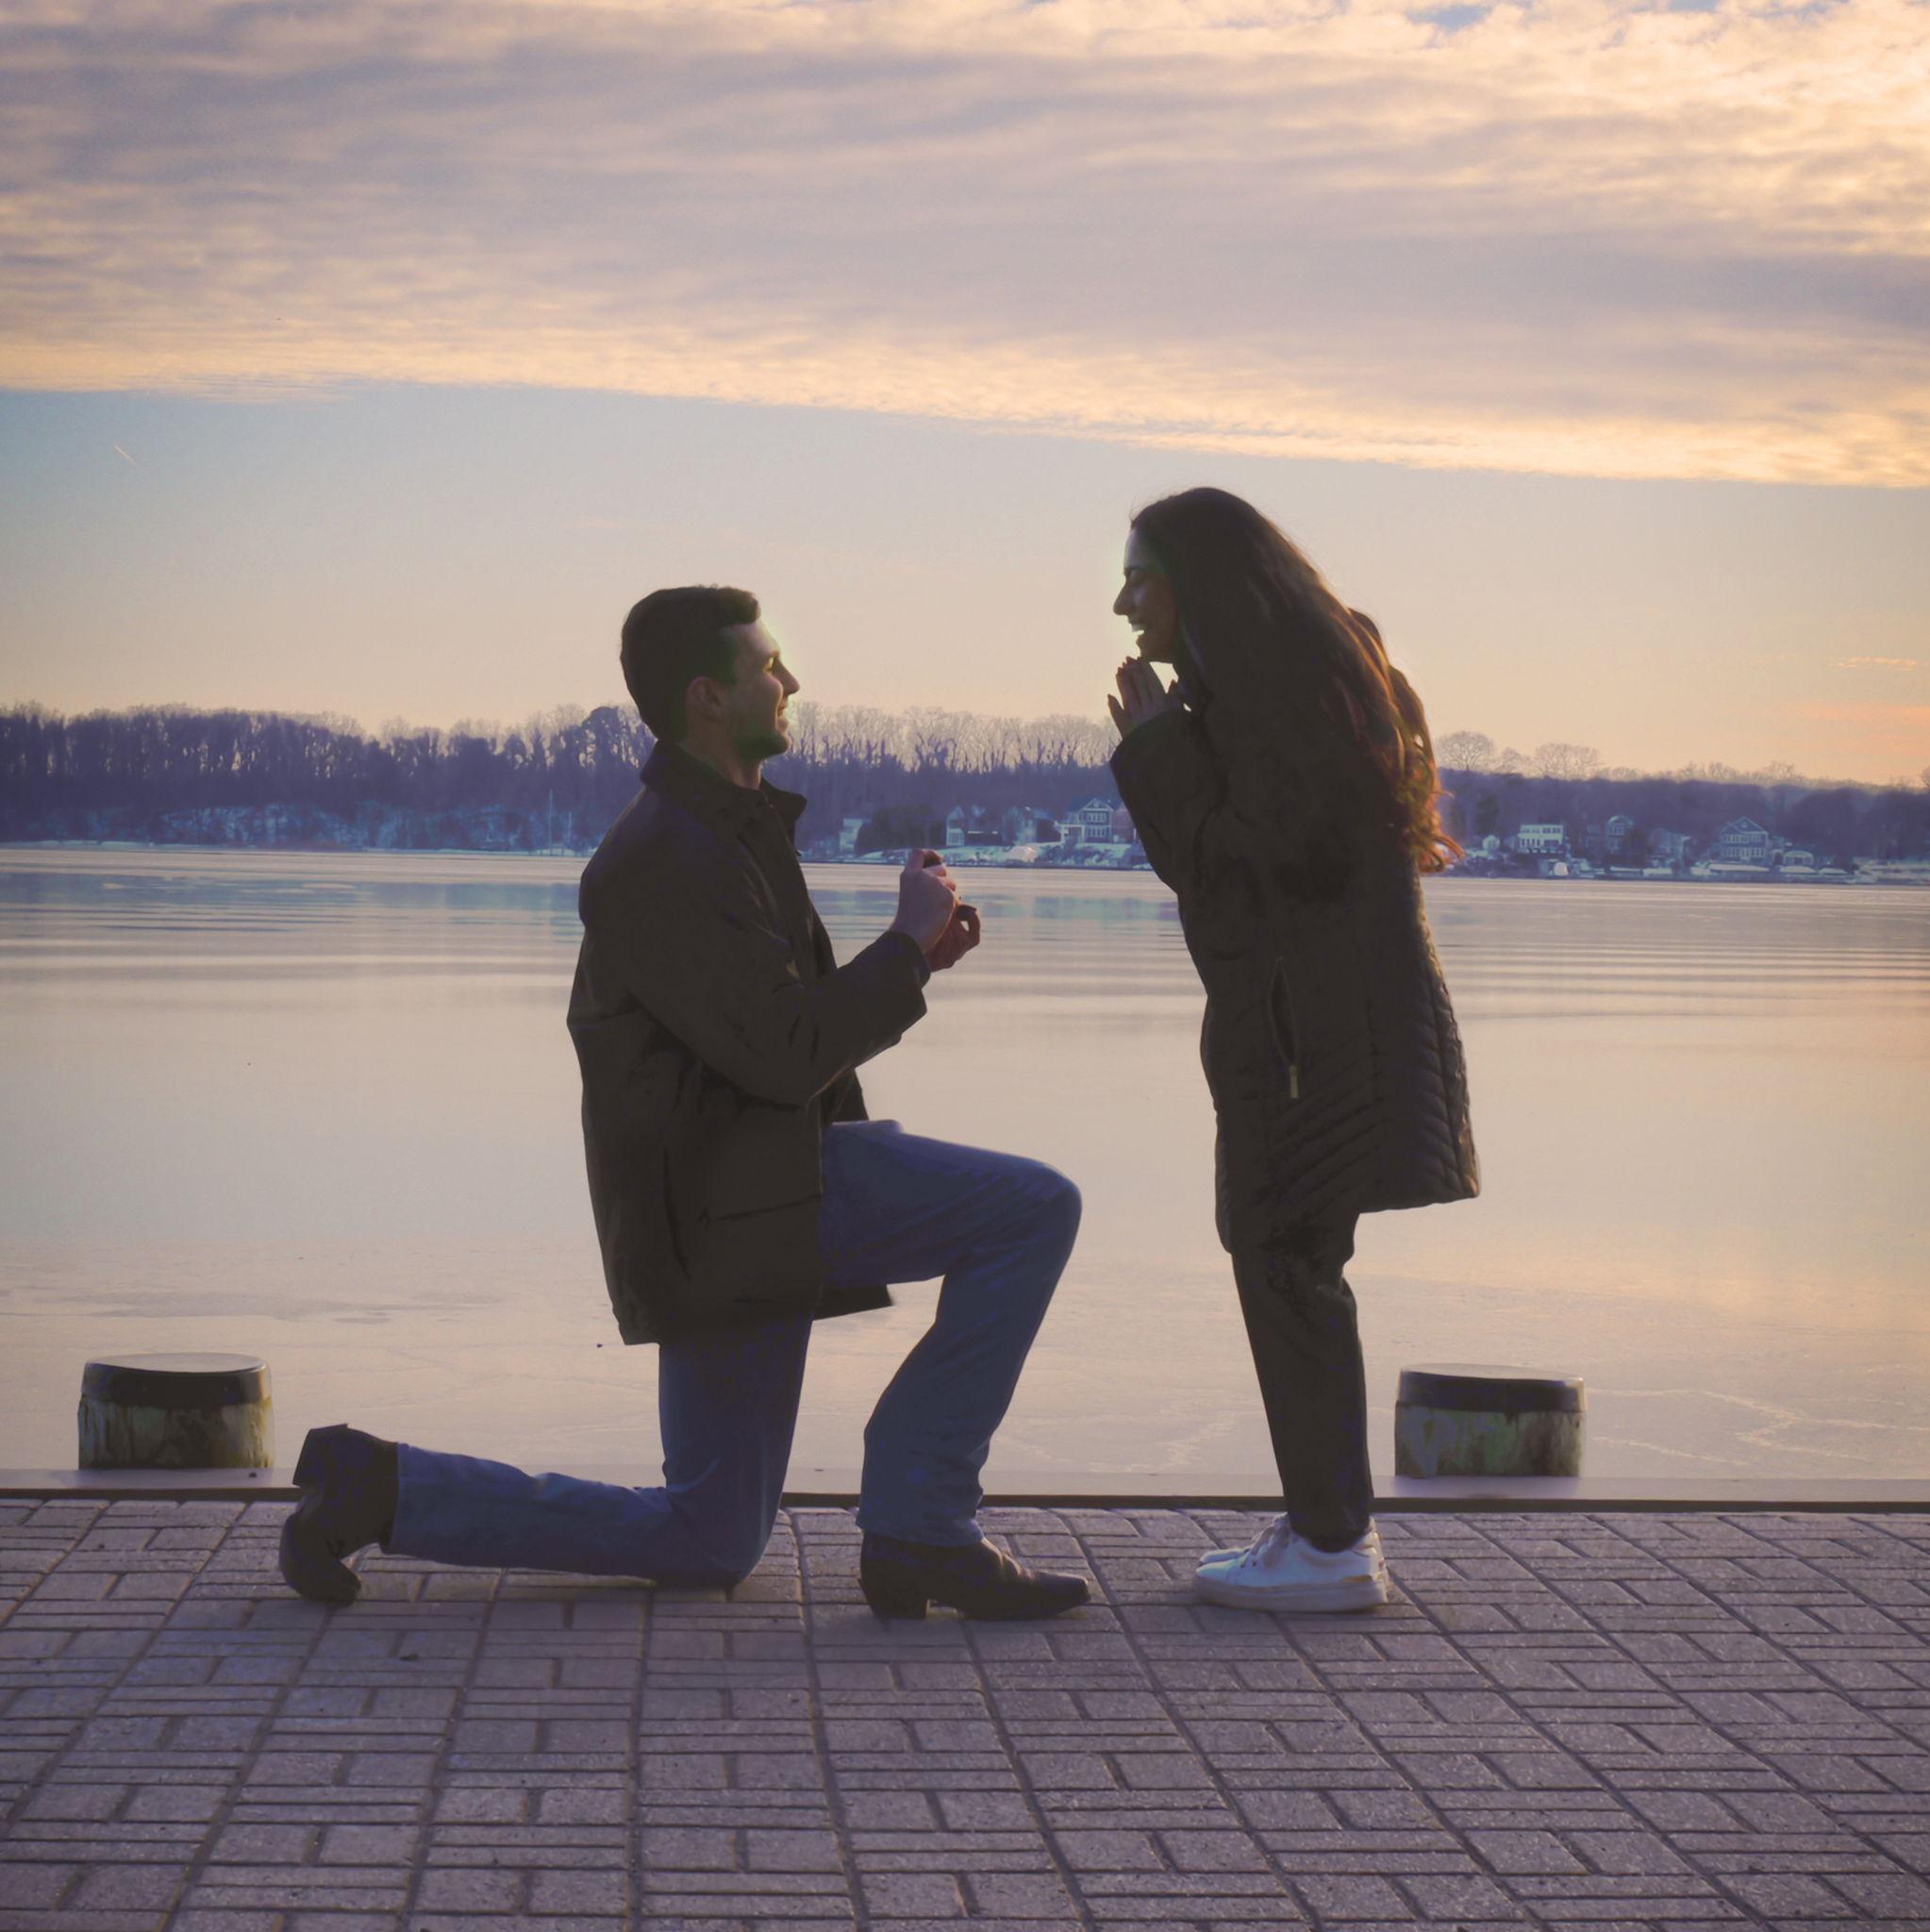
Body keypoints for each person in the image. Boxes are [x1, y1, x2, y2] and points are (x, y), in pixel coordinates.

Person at [279, 585, 1089, 1622]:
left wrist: (914, 960)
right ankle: (922, 1519)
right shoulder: (666, 856)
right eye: (769, 666)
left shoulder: (726, 829)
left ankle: (378, 1489)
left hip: (752, 1194)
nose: (791, 682)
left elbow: (770, 1030)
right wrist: (897, 945)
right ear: (707, 696)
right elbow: (784, 1054)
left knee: (709, 1536)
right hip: (734, 1202)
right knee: (1031, 1209)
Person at [1106, 489, 1478, 1613]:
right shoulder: (1314, 674)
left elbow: (1233, 875)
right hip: (1331, 1021)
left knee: (1283, 1257)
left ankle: (1330, 1545)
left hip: (1307, 1034)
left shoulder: (1277, 696)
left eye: (1140, 576)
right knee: (1294, 1258)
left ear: (1202, 583)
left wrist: (1155, 749)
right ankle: (1328, 1528)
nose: (1123, 603)